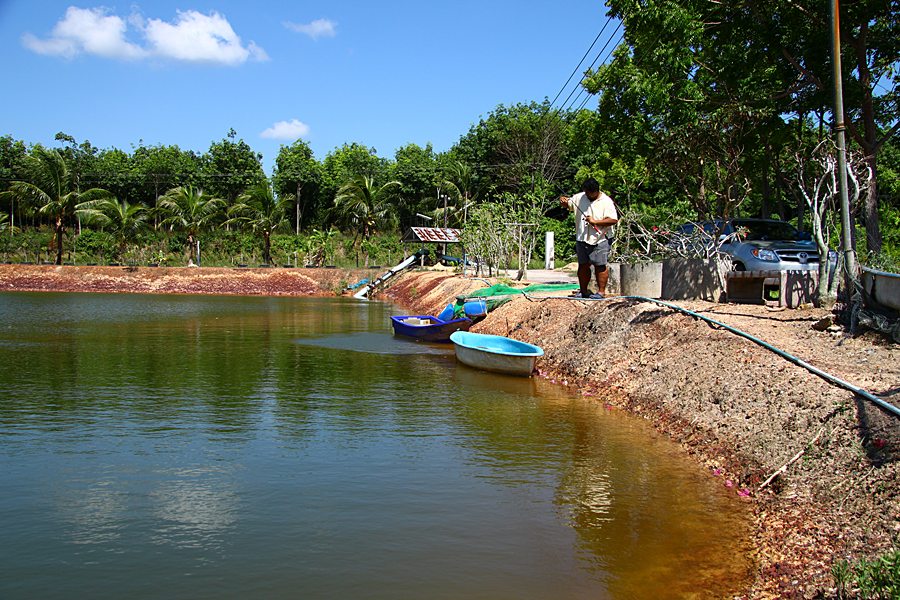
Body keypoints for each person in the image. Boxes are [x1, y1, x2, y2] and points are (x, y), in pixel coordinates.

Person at [559, 178, 618, 298]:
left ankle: (601, 292)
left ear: (596, 191)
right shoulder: (579, 197)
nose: (588, 195)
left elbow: (613, 219)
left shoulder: (606, 201)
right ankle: (583, 291)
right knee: (583, 265)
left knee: (600, 265)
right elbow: (568, 204)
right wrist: (563, 202)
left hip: (601, 238)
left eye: (590, 193)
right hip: (582, 237)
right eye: (586, 192)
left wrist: (595, 222)